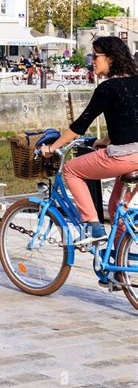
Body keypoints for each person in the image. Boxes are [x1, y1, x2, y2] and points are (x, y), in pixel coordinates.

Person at [41, 36, 138, 279]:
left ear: (111, 59)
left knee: (71, 170)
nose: (91, 61)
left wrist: (53, 147)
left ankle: (93, 225)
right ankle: (119, 262)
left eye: (95, 56)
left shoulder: (107, 88)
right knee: (117, 206)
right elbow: (129, 120)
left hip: (125, 156)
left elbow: (81, 124)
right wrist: (104, 141)